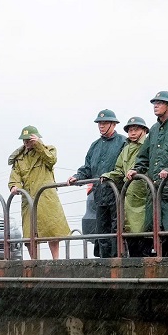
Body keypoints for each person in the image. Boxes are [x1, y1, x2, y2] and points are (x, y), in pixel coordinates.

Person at [129, 91, 168, 256]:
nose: (155, 105)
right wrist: (137, 169)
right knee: (154, 230)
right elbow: (144, 156)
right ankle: (161, 268)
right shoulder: (154, 130)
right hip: (154, 188)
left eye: (160, 103)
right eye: (154, 103)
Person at [68, 109, 125, 258]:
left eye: (104, 122)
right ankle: (105, 262)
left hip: (118, 193)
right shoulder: (95, 145)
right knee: (101, 229)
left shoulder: (123, 142)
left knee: (117, 229)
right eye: (99, 123)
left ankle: (118, 260)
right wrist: (77, 176)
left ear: (113, 124)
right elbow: (87, 167)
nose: (101, 125)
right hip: (99, 195)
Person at [9, 125, 71, 259]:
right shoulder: (20, 158)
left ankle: (56, 262)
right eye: (24, 139)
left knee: (52, 231)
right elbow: (15, 175)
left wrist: (38, 145)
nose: (26, 142)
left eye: (29, 139)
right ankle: (34, 262)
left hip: (46, 197)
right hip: (28, 198)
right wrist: (14, 185)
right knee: (29, 234)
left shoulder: (48, 150)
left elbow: (51, 160)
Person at [104, 116, 150, 257]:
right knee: (130, 232)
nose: (132, 132)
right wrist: (108, 175)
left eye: (136, 129)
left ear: (143, 130)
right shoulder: (126, 148)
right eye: (130, 130)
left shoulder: (148, 145)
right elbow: (119, 169)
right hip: (128, 194)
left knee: (144, 232)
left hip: (143, 192)